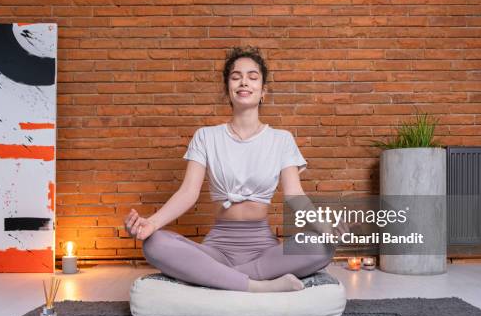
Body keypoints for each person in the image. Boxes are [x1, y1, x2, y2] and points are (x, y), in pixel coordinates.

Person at [124, 46, 348, 293]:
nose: (244, 82)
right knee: (154, 243)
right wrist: (151, 224)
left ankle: (211, 278)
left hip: (264, 250)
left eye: (253, 77)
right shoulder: (206, 137)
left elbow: (295, 196)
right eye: (236, 76)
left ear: (263, 91)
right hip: (217, 249)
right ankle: (257, 286)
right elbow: (188, 193)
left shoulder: (281, 139)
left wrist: (324, 227)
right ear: (228, 90)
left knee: (322, 246)